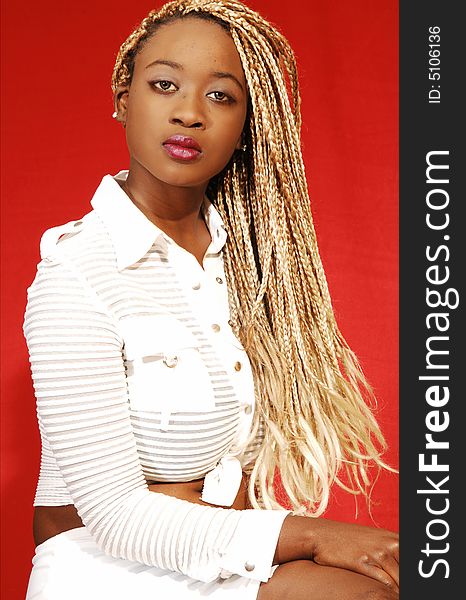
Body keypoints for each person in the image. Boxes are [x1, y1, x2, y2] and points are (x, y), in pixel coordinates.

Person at [23, 1, 399, 598]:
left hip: (215, 544)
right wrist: (320, 537)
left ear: (249, 122)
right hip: (101, 562)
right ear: (124, 97)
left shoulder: (250, 264)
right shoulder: (77, 272)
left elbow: (237, 477)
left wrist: (216, 505)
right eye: (164, 84)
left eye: (222, 96)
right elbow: (117, 514)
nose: (189, 112)